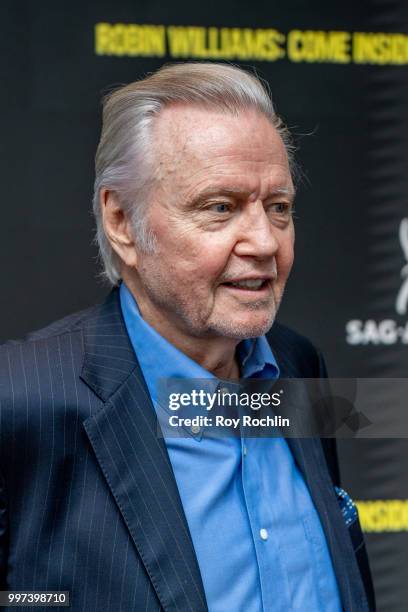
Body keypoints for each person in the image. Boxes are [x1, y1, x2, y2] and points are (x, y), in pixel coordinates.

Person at [0, 63, 374, 611]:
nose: (265, 242)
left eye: (279, 208)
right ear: (122, 220)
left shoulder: (298, 362)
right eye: (219, 207)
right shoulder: (20, 400)